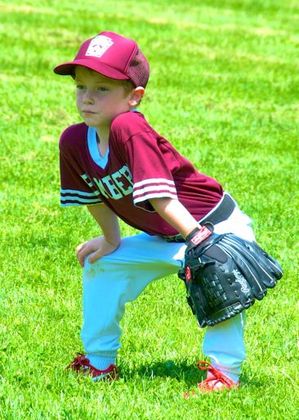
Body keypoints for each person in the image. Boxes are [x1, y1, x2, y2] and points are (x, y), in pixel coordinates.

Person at [54, 31, 256, 392]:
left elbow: (161, 197)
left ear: (134, 97)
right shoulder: (73, 140)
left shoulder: (130, 127)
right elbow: (93, 195)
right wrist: (111, 240)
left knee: (215, 275)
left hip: (213, 226)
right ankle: (99, 363)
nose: (87, 97)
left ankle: (226, 372)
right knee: (103, 265)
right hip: (166, 234)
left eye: (102, 89)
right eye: (81, 86)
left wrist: (199, 242)